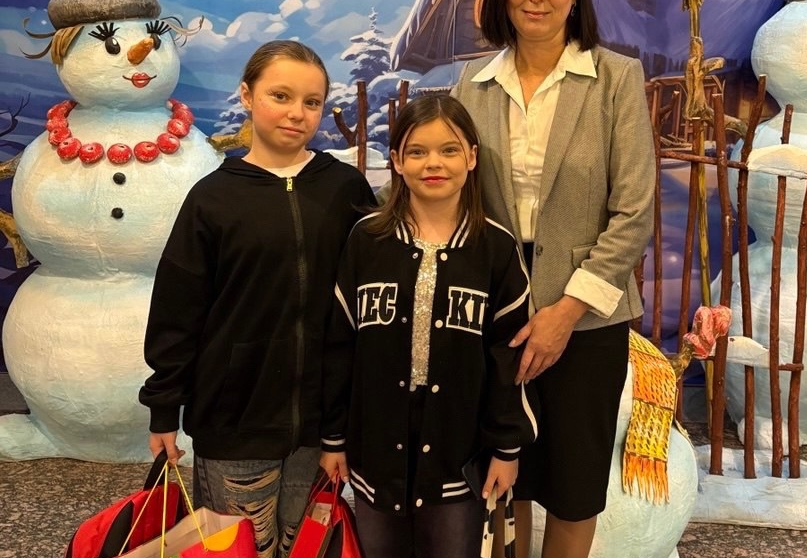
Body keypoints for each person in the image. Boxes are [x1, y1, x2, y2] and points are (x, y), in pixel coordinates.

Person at [450, 0, 656, 557]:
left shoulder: (616, 78)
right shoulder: (472, 84)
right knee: (499, 474)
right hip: (494, 308)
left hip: (587, 315)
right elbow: (452, 193)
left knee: (573, 484)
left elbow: (634, 212)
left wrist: (566, 312)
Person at [139, 40, 376, 558]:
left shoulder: (346, 189)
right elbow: (178, 311)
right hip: (234, 424)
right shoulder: (212, 198)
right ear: (247, 95)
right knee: (239, 548)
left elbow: (370, 303)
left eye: (312, 102)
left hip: (320, 427)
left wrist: (348, 420)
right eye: (280, 96)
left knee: (306, 548)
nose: (297, 113)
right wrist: (164, 408)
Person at [318, 94, 538, 558]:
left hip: (459, 451)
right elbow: (339, 346)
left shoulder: (496, 249)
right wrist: (333, 438)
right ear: (397, 161)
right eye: (417, 151)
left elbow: (510, 359)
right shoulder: (367, 240)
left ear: (472, 157)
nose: (433, 163)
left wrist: (507, 448)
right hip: (376, 445)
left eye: (449, 150)